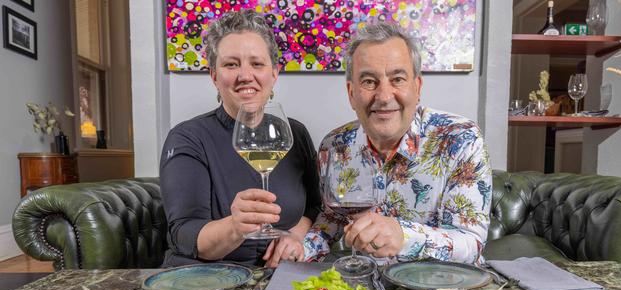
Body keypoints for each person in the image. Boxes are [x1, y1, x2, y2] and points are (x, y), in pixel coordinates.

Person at [304, 22, 492, 264]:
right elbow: (333, 218)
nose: (383, 96)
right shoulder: (334, 146)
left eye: (398, 79)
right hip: (364, 288)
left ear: (417, 87)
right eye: (369, 81)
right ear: (351, 93)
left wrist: (403, 236)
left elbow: (471, 243)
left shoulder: (461, 139)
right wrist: (302, 248)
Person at [160, 10, 320, 268]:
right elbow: (184, 234)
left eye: (257, 63)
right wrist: (235, 227)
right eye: (231, 64)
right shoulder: (187, 138)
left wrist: (295, 235)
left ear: (274, 73)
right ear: (214, 76)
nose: (245, 75)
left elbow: (314, 206)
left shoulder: (295, 134)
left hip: (277, 277)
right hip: (207, 278)